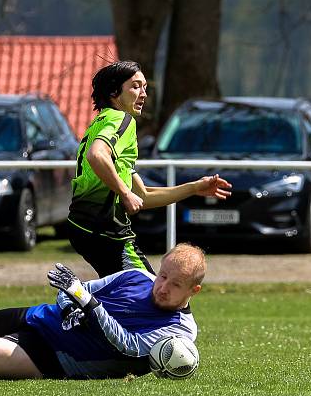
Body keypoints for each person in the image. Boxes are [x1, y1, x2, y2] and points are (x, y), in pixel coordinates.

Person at [0, 243, 206, 380]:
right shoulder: (136, 277)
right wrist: (71, 304)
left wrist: (88, 306)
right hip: (40, 317)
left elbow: (127, 345)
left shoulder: (181, 332)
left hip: (53, 356)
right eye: (163, 275)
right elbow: (76, 288)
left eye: (175, 285)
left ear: (194, 291)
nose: (162, 286)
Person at [68, 60, 231, 277]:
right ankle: (73, 305)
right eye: (135, 86)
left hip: (83, 227)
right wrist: (124, 193)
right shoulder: (121, 118)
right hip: (105, 230)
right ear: (114, 92)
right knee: (150, 295)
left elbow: (142, 196)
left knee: (125, 299)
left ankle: (84, 304)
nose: (143, 94)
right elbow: (96, 155)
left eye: (145, 87)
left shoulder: (101, 121)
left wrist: (193, 188)